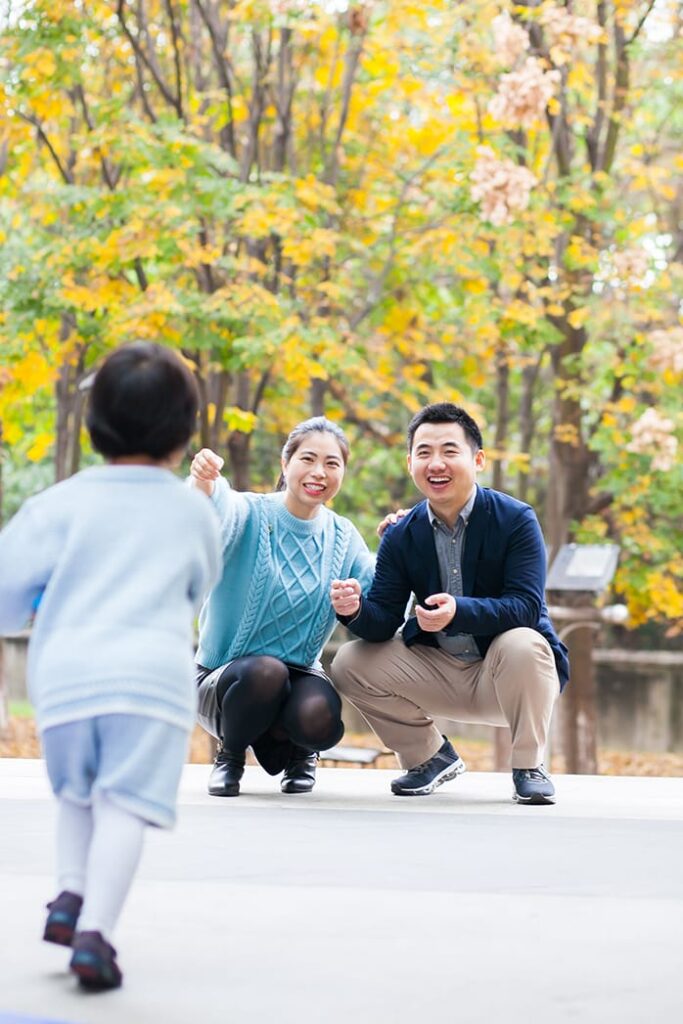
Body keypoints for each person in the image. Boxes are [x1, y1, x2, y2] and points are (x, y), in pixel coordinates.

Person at [0, 343, 221, 991]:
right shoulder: (192, 512)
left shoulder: (57, 505)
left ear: (94, 424)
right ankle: (95, 931)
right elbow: (198, 590)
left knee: (77, 792)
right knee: (124, 803)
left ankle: (69, 892)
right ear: (183, 435)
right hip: (151, 681)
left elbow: (6, 597)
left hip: (66, 675)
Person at [330, 402, 569, 805]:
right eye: (424, 453)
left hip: (508, 675)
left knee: (524, 641)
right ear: (410, 463)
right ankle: (428, 756)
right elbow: (383, 621)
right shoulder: (401, 534)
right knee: (349, 662)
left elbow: (526, 607)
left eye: (449, 451)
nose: (436, 463)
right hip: (438, 671)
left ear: (477, 459)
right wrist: (353, 609)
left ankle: (528, 765)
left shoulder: (515, 520)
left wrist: (459, 611)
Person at [190, 417, 375, 798]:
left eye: (332, 463)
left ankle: (300, 755)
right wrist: (204, 483)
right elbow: (215, 514)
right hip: (224, 679)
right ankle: (231, 757)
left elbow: (382, 592)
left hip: (299, 674)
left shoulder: (343, 535)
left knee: (320, 717)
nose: (318, 472)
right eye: (307, 459)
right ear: (285, 464)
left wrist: (398, 545)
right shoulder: (250, 512)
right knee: (266, 671)